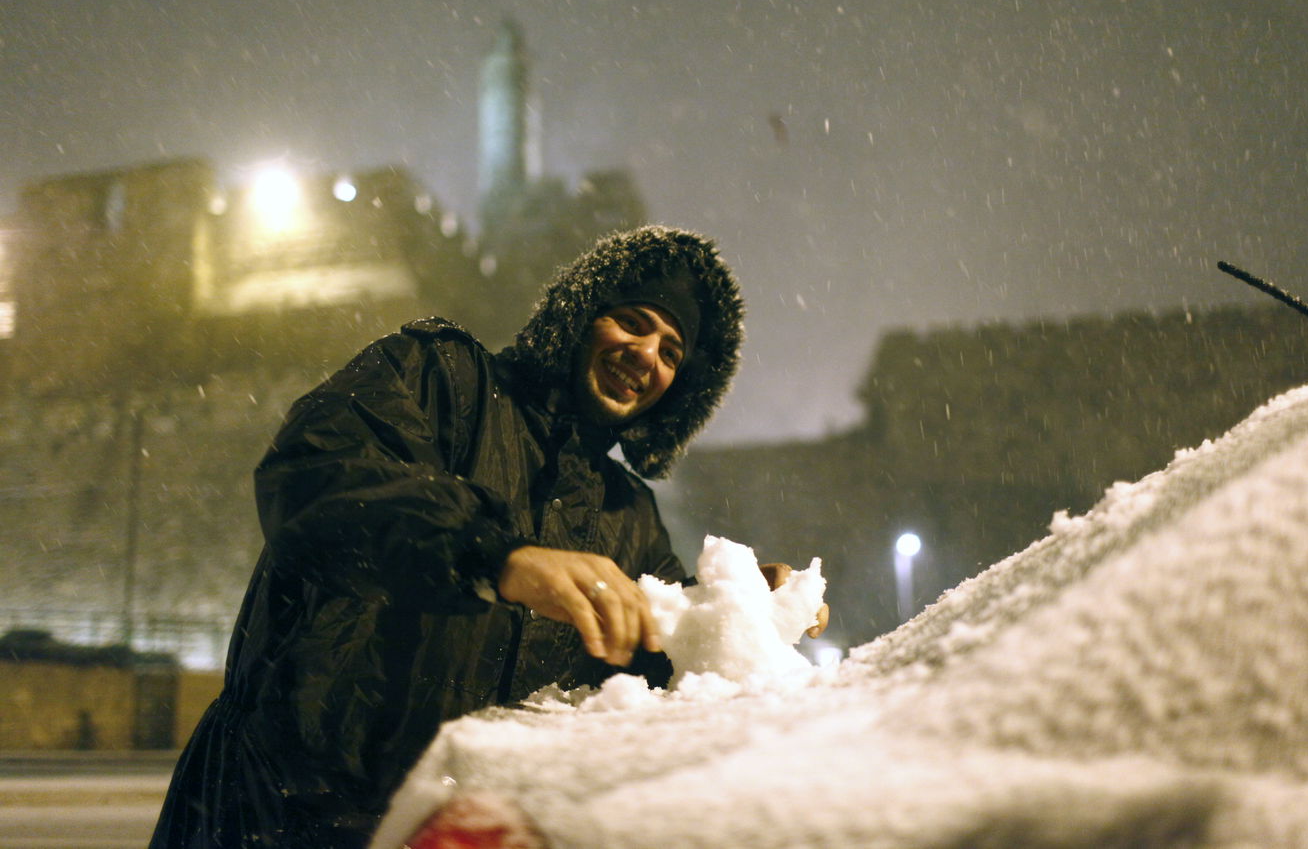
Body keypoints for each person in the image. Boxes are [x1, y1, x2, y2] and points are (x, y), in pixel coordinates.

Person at [150, 225, 823, 848]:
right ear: (580, 316)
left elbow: (654, 641)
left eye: (670, 350)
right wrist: (492, 554)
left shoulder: (627, 514)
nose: (644, 353)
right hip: (272, 814)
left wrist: (738, 604)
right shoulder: (442, 378)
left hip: (437, 831)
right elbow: (320, 474)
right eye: (632, 321)